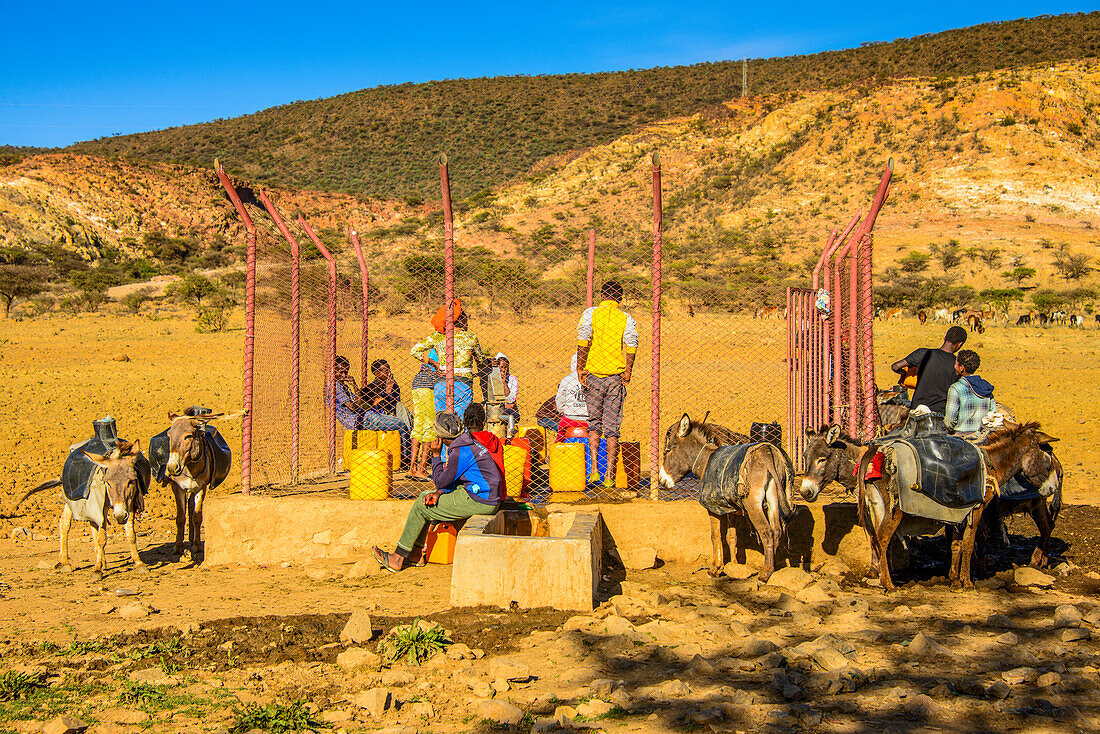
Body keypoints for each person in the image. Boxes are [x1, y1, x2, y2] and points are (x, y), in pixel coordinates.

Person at [372, 412, 502, 572]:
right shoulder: (468, 443)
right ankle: (416, 554)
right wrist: (440, 492)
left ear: (441, 438)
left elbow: (441, 481)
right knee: (428, 499)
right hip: (483, 494)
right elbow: (452, 480)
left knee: (422, 504)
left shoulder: (460, 452)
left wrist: (435, 455)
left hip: (480, 500)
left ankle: (398, 558)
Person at [576, 280, 639, 488]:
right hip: (615, 378)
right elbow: (631, 344)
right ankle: (610, 475)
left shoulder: (591, 314)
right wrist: (628, 369)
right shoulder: (626, 318)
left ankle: (594, 470)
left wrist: (580, 367)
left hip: (594, 374)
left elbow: (584, 339)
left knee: (594, 424)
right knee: (612, 428)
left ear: (602, 295)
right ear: (619, 299)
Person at [411, 306, 485, 421]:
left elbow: (414, 351)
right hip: (463, 385)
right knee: (461, 422)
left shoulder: (438, 336)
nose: (467, 320)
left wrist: (434, 364)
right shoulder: (471, 338)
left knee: (442, 422)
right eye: (465, 317)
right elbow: (480, 361)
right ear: (459, 320)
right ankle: (460, 439)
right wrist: (487, 362)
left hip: (441, 385)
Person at [890, 325, 968, 417]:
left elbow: (895, 366)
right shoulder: (957, 364)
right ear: (959, 344)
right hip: (939, 414)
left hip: (917, 410)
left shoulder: (923, 353)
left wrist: (904, 373)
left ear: (944, 338)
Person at [357, 359, 411, 467]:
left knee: (404, 411)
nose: (389, 373)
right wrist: (388, 390)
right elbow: (377, 405)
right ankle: (406, 457)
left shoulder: (393, 385)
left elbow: (393, 403)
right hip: (378, 416)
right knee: (402, 420)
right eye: (385, 371)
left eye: (389, 370)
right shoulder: (371, 388)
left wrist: (388, 391)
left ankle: (408, 454)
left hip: (391, 413)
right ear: (376, 373)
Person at [944, 349, 997, 437]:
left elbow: (950, 421)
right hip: (983, 436)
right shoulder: (986, 387)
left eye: (956, 364)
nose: (954, 366)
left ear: (961, 368)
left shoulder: (956, 388)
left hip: (962, 438)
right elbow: (993, 413)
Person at [463, 402, 508, 499]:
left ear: (465, 423)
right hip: (500, 494)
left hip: (480, 496)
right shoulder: (494, 439)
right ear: (484, 423)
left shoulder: (465, 442)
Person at [407, 350, 438, 480]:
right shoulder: (447, 347)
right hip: (429, 384)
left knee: (418, 425)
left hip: (417, 382)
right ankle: (422, 468)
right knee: (430, 425)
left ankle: (411, 468)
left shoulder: (433, 348)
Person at [554, 353, 589, 442]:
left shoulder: (567, 379)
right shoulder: (595, 379)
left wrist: (562, 410)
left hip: (570, 418)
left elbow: (560, 400)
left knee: (560, 435)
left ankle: (559, 447)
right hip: (590, 419)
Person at [329, 355, 370, 430]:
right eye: (341, 372)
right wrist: (358, 405)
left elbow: (359, 402)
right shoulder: (335, 386)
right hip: (355, 421)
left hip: (361, 417)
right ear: (334, 371)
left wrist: (354, 385)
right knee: (397, 423)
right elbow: (353, 408)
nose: (344, 375)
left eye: (346, 372)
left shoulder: (343, 386)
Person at [494, 352, 520, 429]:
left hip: (507, 411)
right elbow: (487, 402)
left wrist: (504, 382)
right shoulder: (491, 379)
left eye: (506, 367)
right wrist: (506, 405)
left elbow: (511, 400)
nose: (504, 370)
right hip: (495, 410)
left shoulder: (513, 379)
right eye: (501, 367)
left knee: (512, 415)